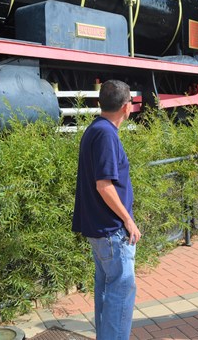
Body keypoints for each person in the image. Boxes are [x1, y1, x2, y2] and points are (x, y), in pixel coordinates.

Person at [72, 79, 141, 340]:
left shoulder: (95, 129)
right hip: (112, 232)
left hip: (101, 230)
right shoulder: (106, 134)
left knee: (106, 294)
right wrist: (128, 220)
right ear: (127, 107)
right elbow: (104, 186)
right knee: (120, 297)